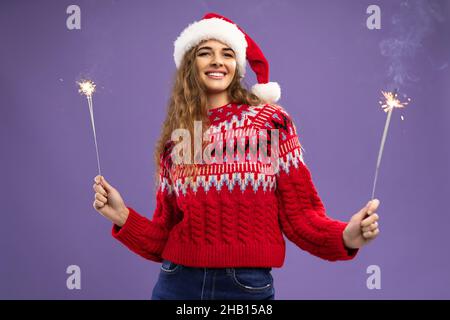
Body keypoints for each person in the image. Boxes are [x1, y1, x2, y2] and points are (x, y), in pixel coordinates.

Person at [92, 12, 380, 300]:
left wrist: (345, 236)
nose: (217, 61)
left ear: (237, 66)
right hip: (176, 282)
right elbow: (165, 237)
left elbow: (301, 215)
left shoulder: (269, 121)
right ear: (190, 65)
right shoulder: (181, 138)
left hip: (244, 286)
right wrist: (122, 216)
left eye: (227, 54)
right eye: (205, 53)